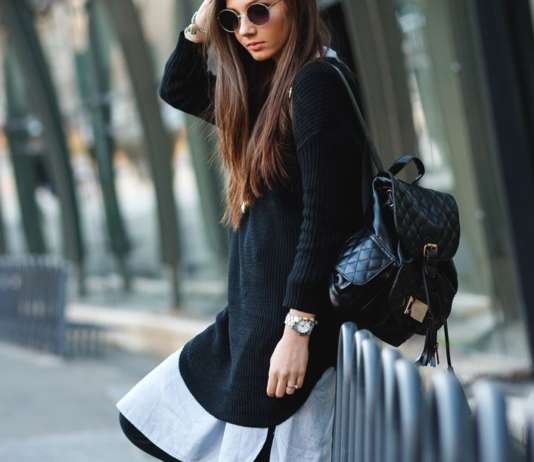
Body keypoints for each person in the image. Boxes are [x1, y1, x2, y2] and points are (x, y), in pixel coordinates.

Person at [116, 0, 366, 460]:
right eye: (231, 19)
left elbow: (324, 220)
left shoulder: (315, 84)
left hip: (286, 324)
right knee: (150, 418)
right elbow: (178, 86)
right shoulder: (266, 91)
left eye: (259, 11)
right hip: (251, 319)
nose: (245, 29)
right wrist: (201, 24)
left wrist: (298, 330)